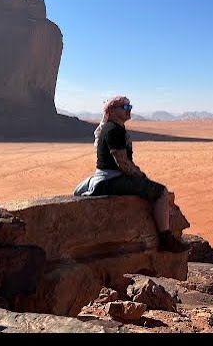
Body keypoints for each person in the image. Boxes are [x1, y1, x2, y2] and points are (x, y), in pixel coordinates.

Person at [73, 95, 185, 252]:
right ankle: (165, 239)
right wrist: (140, 176)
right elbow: (123, 163)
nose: (129, 110)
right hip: (111, 180)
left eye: (130, 107)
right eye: (125, 107)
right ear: (111, 111)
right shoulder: (114, 130)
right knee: (160, 192)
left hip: (110, 178)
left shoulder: (113, 128)